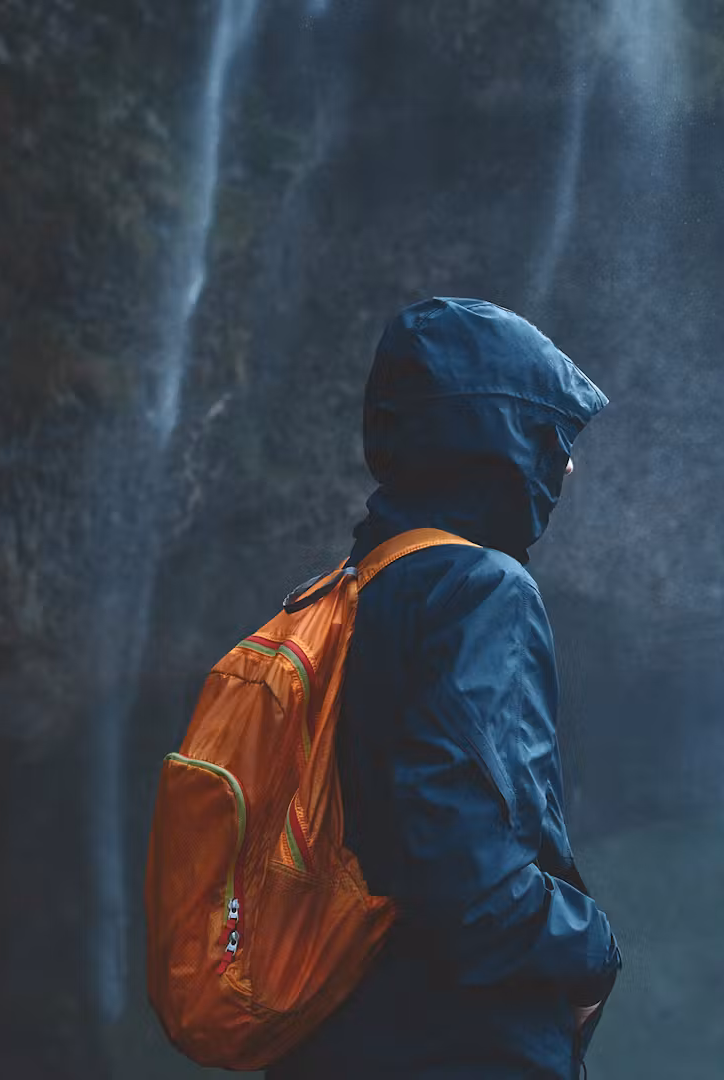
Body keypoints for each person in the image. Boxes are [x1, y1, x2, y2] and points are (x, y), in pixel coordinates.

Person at [270, 297, 622, 1079]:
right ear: (497, 441)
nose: (567, 465)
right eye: (550, 436)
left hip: (334, 1035)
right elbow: (469, 880)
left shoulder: (340, 593)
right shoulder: (480, 591)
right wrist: (592, 950)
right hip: (457, 1045)